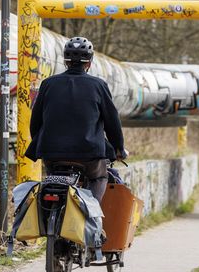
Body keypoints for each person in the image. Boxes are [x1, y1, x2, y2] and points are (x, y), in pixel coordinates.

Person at [25, 36, 127, 203]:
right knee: (99, 177)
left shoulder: (48, 84)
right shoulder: (98, 85)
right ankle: (91, 216)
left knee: (52, 178)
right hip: (88, 153)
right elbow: (112, 121)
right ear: (89, 63)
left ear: (66, 62)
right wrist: (119, 148)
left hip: (52, 153)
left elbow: (36, 121)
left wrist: (40, 142)